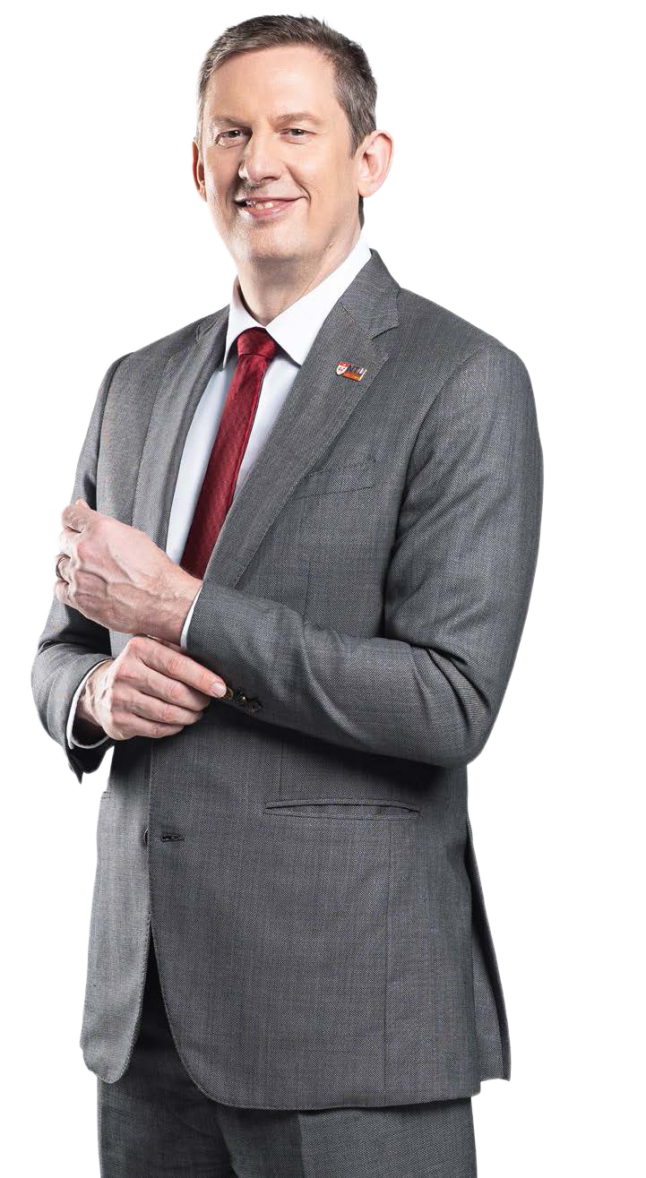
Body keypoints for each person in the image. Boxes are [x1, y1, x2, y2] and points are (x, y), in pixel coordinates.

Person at [29, 13, 544, 1177]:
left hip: (347, 1020)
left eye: (295, 130)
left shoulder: (461, 380)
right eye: (231, 133)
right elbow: (61, 650)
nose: (258, 160)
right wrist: (95, 695)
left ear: (369, 159)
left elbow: (449, 700)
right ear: (197, 165)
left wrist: (187, 613)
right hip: (145, 1016)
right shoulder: (137, 384)